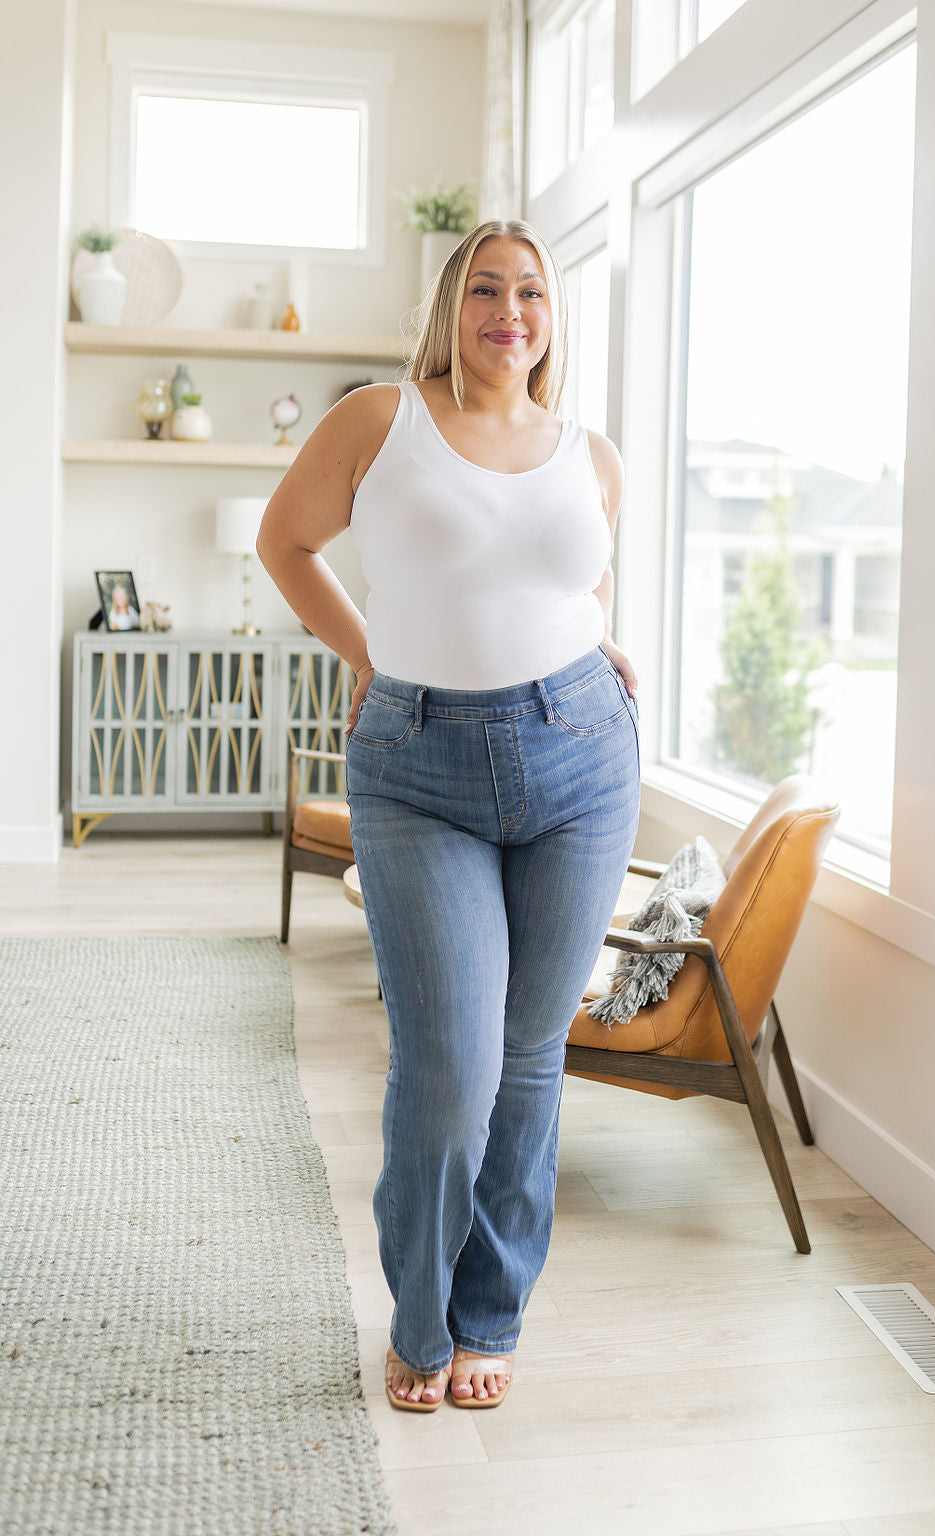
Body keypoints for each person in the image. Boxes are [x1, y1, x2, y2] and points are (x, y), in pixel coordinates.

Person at [256, 219, 640, 1412]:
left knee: (529, 1059)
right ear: (450, 306)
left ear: (551, 317)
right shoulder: (381, 419)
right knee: (448, 1067)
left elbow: (573, 579)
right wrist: (369, 654)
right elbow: (287, 543)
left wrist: (595, 647)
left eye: (530, 292)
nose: (508, 312)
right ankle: (417, 1319)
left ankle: (489, 1318)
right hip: (417, 763)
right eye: (485, 288)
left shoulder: (591, 452)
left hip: (581, 753)